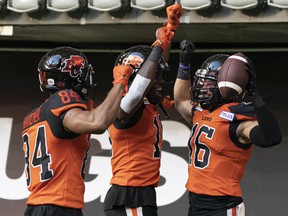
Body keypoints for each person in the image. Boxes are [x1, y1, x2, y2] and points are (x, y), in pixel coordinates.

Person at [174, 40, 282, 216]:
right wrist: (183, 65)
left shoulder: (236, 118)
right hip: (195, 203)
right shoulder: (201, 112)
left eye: (208, 83)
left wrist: (254, 93)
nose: (202, 87)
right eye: (202, 82)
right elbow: (180, 101)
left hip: (222, 206)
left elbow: (271, 138)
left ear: (224, 85)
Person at [22, 46, 133, 216]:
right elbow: (97, 122)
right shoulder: (63, 99)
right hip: (58, 206)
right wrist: (120, 83)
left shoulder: (34, 116)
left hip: (36, 206)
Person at [103, 4, 183, 216]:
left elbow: (150, 76)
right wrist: (157, 46)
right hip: (131, 192)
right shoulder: (126, 104)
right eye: (155, 77)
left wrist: (168, 31)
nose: (160, 82)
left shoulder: (143, 102)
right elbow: (138, 90)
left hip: (138, 191)